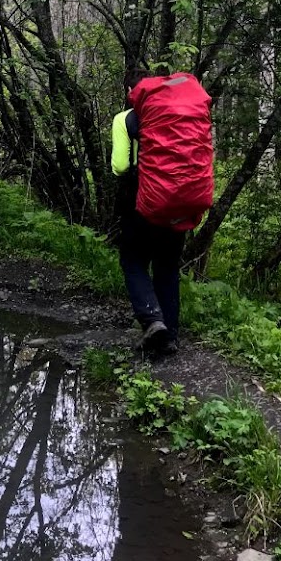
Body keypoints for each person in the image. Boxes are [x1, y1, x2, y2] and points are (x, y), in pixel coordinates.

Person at [111, 69, 214, 357]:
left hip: (141, 201)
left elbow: (120, 166)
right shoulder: (183, 115)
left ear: (132, 91)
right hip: (180, 200)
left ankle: (152, 320)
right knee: (167, 266)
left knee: (133, 261)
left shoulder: (125, 119)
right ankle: (171, 337)